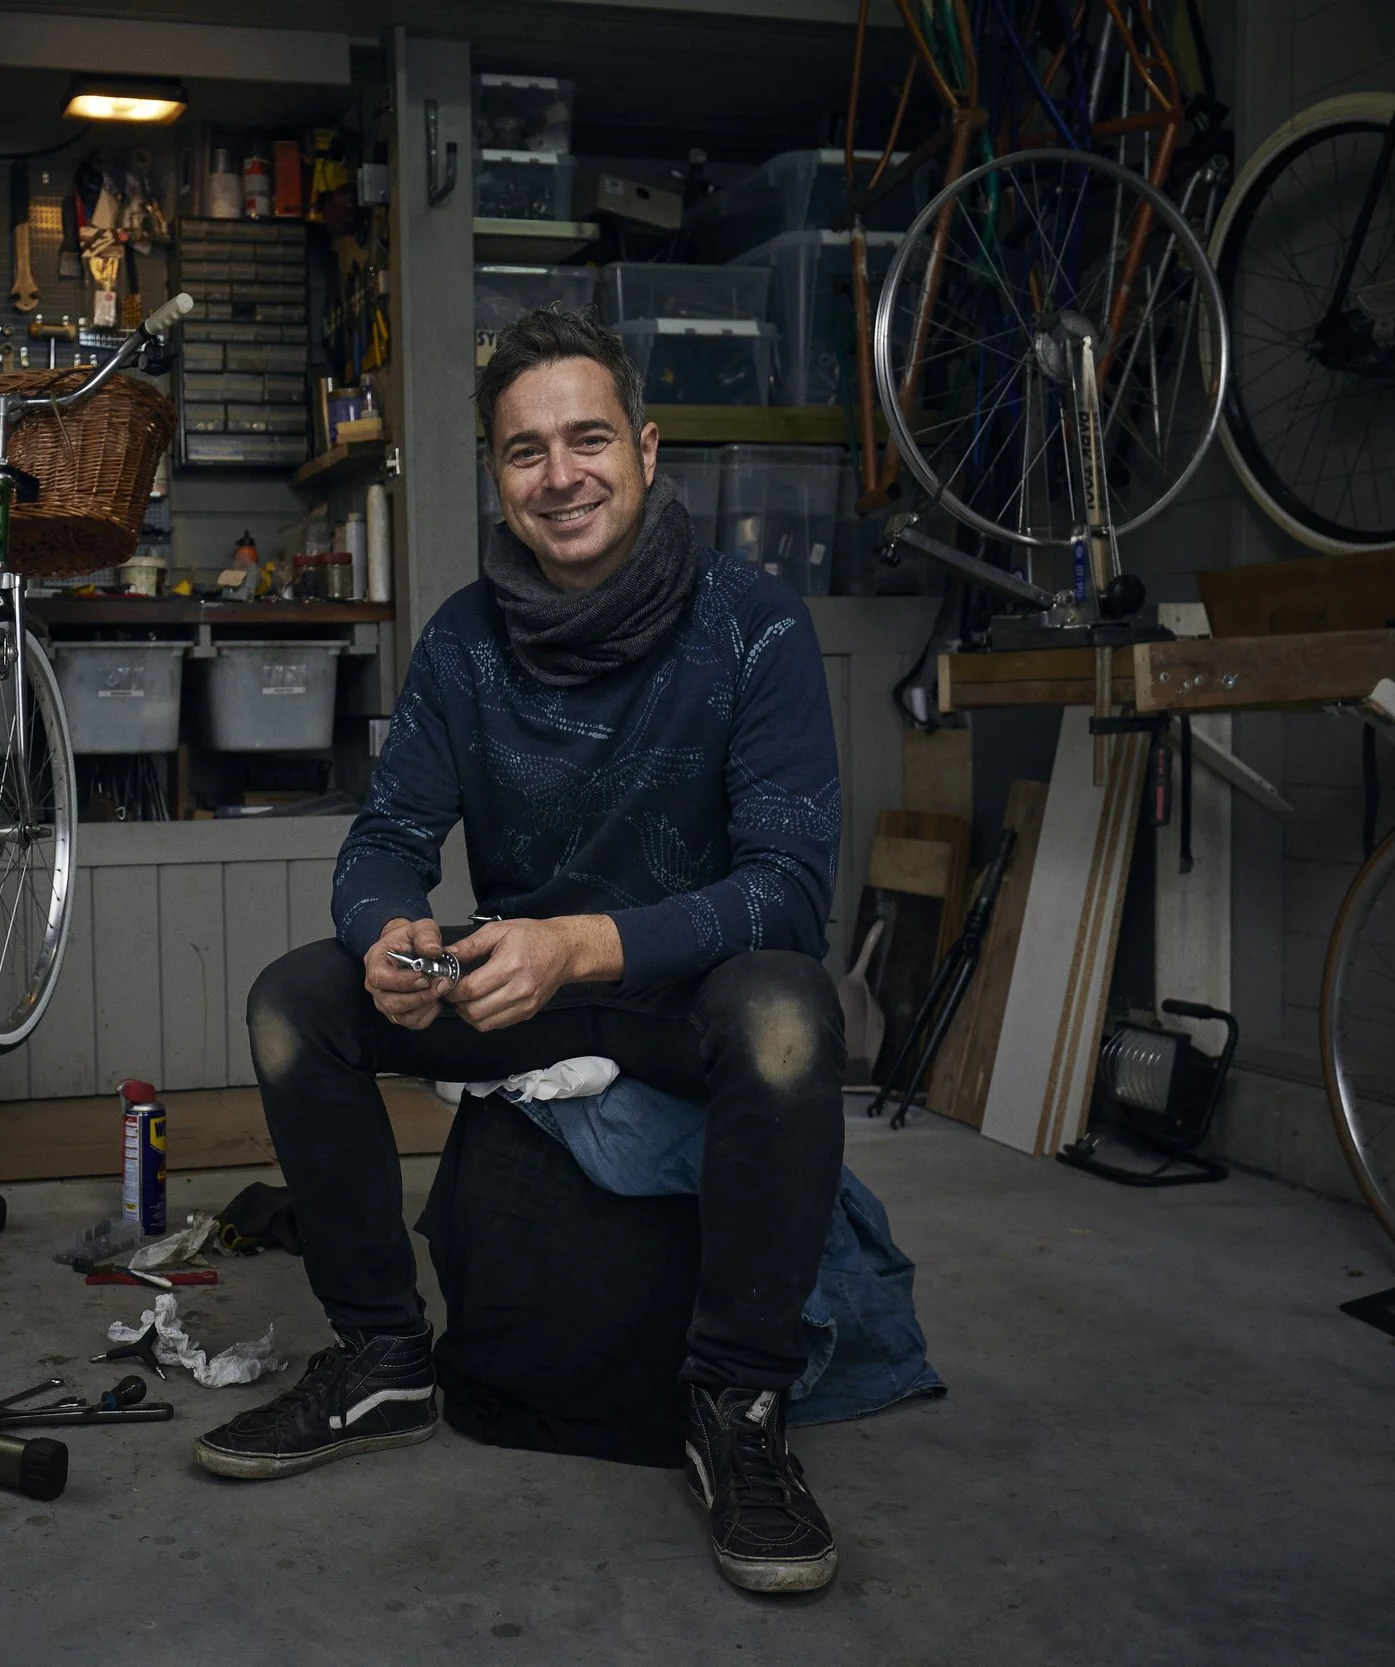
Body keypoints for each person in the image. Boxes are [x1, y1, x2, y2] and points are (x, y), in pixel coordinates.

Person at [194, 305, 849, 1595]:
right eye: (525, 451)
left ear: (648, 452)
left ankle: (738, 1410)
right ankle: (382, 1359)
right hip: (514, 994)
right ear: (496, 475)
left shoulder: (753, 625)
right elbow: (384, 838)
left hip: (677, 998)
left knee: (786, 1011)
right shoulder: (461, 640)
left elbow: (788, 893)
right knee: (295, 1005)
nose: (562, 477)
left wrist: (582, 943)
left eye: (589, 439)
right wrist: (387, 931)